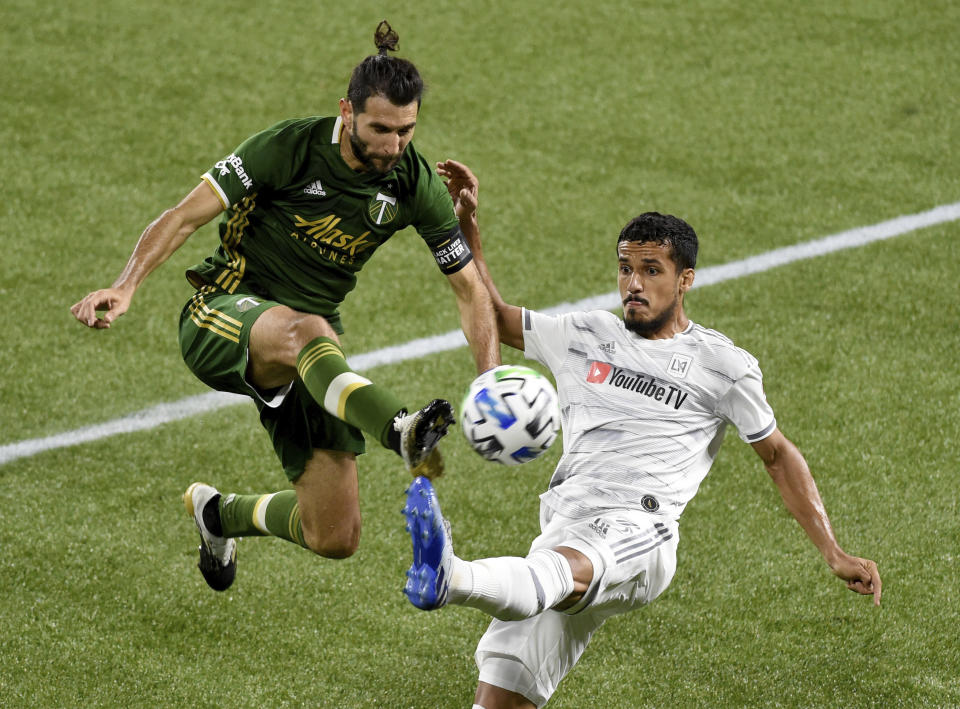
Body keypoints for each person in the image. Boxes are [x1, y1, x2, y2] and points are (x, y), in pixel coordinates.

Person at [403, 161, 881, 708]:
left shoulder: (723, 364)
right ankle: (456, 579)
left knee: (547, 576)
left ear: (685, 280)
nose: (633, 283)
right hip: (565, 522)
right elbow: (493, 314)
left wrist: (833, 551)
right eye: (625, 268)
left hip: (641, 530)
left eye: (651, 270)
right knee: (504, 690)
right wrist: (470, 228)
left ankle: (451, 578)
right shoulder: (587, 334)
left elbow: (776, 455)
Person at [70, 22, 499, 593]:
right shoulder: (289, 147)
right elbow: (184, 214)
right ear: (346, 111)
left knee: (334, 534)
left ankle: (218, 516)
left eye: (406, 130)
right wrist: (127, 285)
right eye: (380, 129)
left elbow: (470, 288)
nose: (393, 146)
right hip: (222, 312)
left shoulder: (412, 181)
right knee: (310, 329)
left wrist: (492, 382)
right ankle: (398, 426)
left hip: (312, 352)